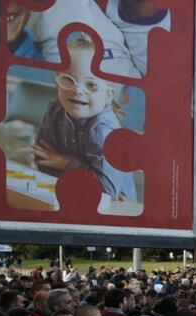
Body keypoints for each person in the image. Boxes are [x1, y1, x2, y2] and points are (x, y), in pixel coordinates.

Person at [33, 37, 137, 202]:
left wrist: (67, 164)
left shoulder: (104, 132)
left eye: (90, 85)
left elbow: (106, 191)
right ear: (57, 81)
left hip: (116, 209)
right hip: (69, 195)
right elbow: (42, 160)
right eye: (68, 80)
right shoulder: (54, 110)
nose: (77, 90)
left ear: (108, 95)